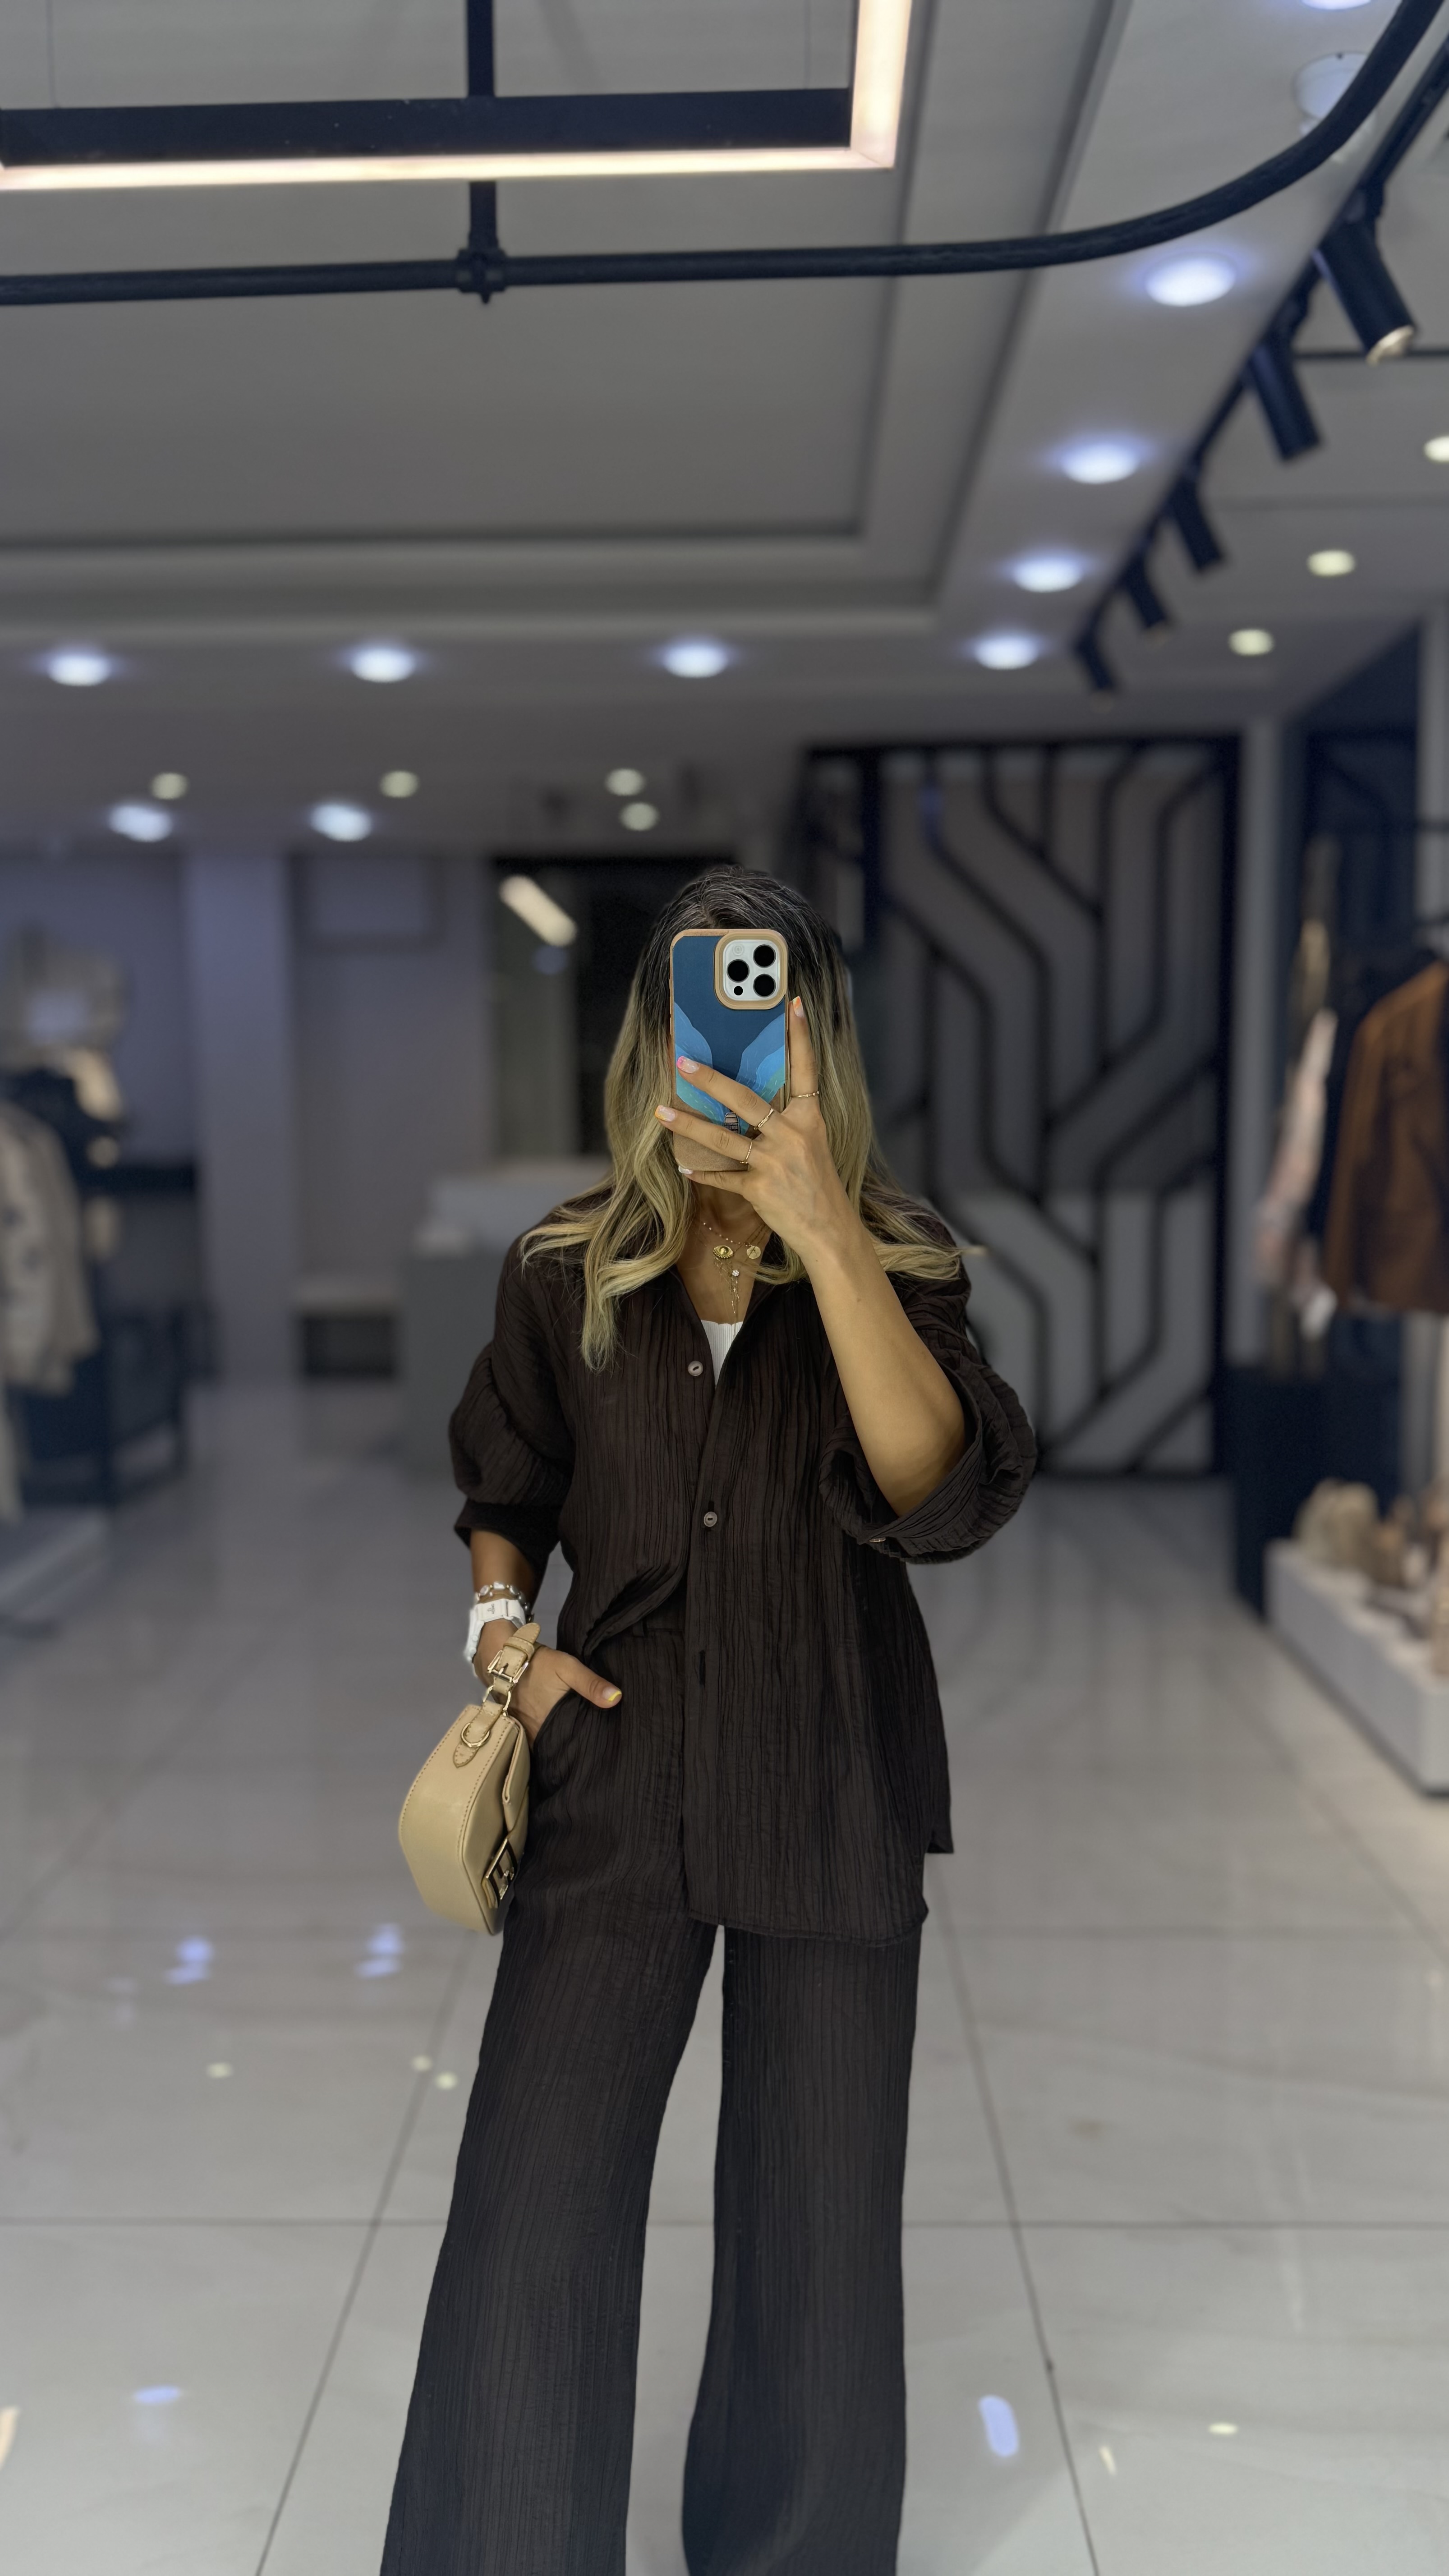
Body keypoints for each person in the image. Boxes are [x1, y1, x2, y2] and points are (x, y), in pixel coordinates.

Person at [382, 869, 1035, 2576]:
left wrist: (823, 1225)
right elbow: (506, 1484)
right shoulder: (567, 1265)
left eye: (769, 1004)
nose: (736, 1038)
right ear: (655, 1035)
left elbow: (942, 1495)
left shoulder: (899, 1258)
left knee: (818, 2227)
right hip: (616, 1765)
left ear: (819, 1035)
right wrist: (505, 1645)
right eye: (705, 1003)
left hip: (832, 1763)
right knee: (534, 2201)